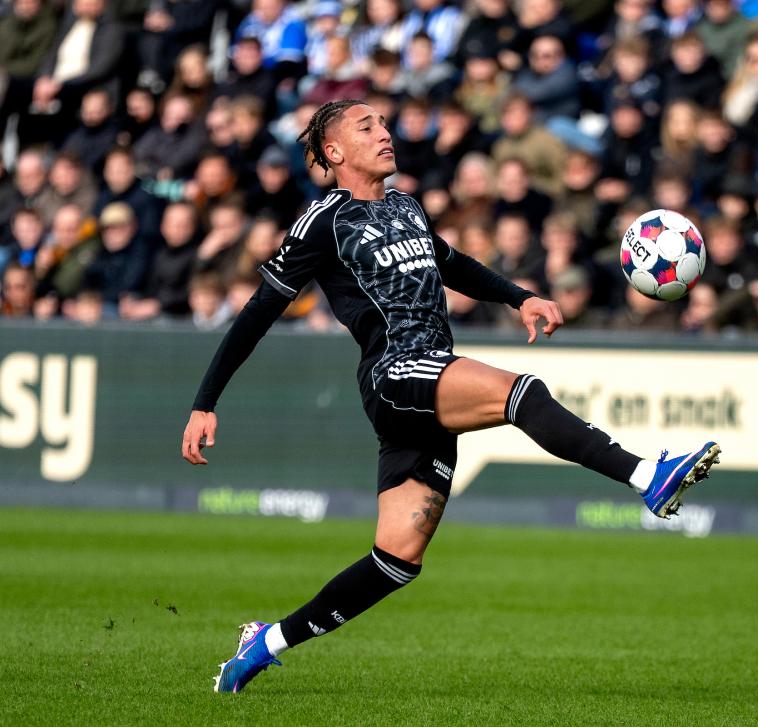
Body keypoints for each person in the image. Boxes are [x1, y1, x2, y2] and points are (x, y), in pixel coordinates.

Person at [180, 99, 721, 693]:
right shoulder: (323, 221)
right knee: (520, 393)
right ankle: (648, 476)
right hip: (395, 373)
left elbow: (452, 265)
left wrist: (520, 297)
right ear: (333, 152)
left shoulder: (405, 206)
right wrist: (206, 401)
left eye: (383, 123)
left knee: (396, 560)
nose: (384, 133)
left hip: (427, 384)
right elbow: (259, 311)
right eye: (366, 127)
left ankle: (264, 643)